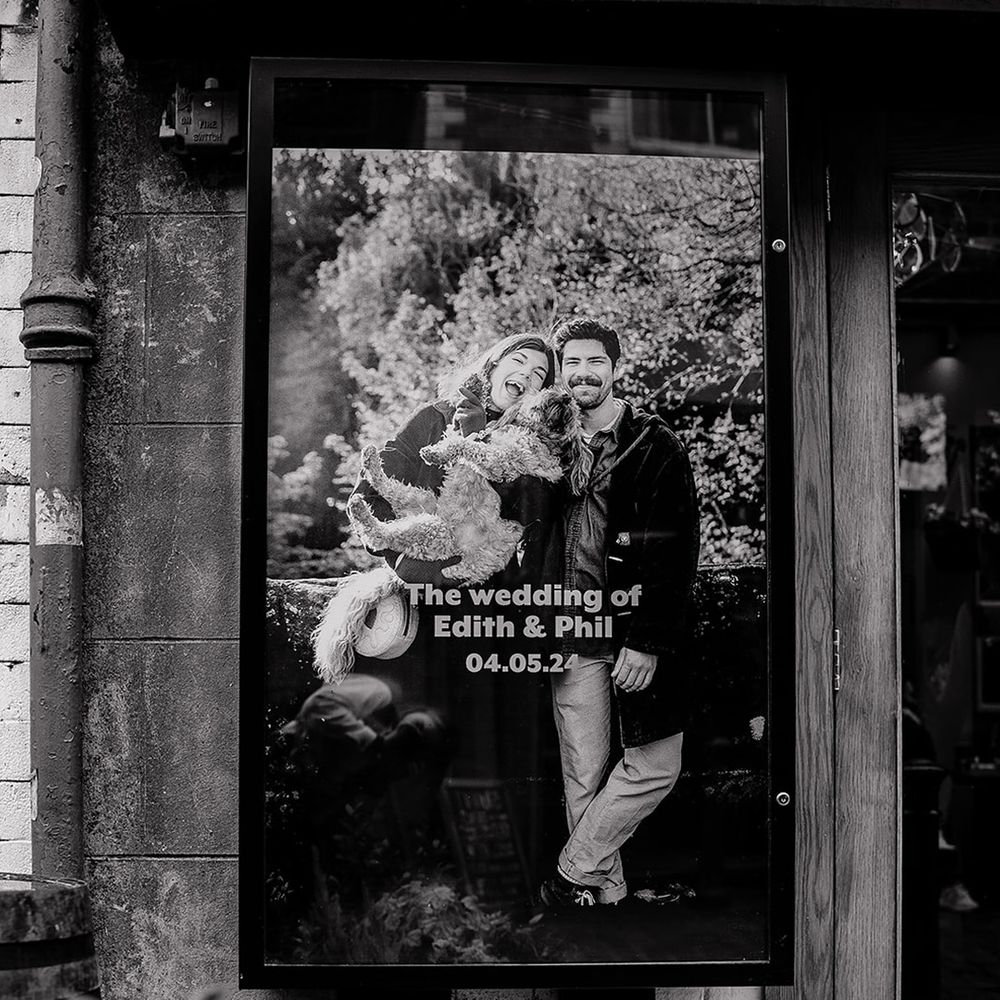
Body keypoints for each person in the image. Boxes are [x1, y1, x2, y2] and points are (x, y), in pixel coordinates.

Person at [538, 317, 700, 908]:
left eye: (595, 362)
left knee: (655, 765)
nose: (584, 374)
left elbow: (676, 548)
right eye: (572, 363)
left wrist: (648, 640)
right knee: (584, 772)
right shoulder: (543, 443)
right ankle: (606, 897)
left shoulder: (654, 444)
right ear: (560, 372)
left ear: (614, 367)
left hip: (633, 629)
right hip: (569, 627)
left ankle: (569, 872)